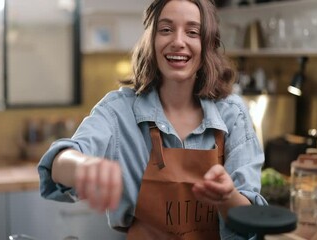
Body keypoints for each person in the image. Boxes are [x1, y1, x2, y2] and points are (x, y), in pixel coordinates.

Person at [38, 0, 267, 239]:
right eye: (166, 29)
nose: (178, 42)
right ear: (151, 40)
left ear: (207, 43)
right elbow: (59, 162)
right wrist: (85, 166)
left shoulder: (233, 114)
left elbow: (249, 221)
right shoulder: (118, 112)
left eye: (192, 32)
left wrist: (226, 195)